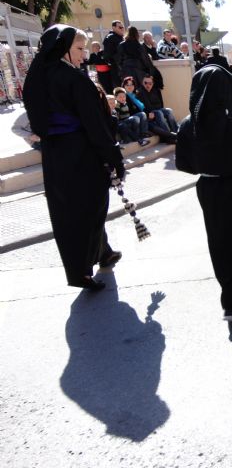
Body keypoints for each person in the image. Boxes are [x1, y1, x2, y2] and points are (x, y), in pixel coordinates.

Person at [23, 24, 125, 291]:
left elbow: (37, 124)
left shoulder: (36, 78)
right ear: (62, 48)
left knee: (68, 212)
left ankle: (102, 254)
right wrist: (114, 157)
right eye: (79, 49)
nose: (83, 55)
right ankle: (80, 273)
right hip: (82, 155)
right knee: (89, 209)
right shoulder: (73, 79)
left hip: (55, 156)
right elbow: (95, 125)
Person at [176, 64, 232, 322]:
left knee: (218, 241)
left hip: (207, 188)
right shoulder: (230, 124)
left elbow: (183, 164)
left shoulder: (188, 124)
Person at [137, 74, 178, 144]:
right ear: (142, 83)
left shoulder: (156, 91)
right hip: (149, 114)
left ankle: (176, 132)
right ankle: (168, 137)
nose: (148, 85)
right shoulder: (140, 92)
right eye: (145, 83)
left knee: (168, 110)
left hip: (157, 110)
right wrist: (149, 113)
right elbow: (144, 107)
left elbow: (161, 104)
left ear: (152, 84)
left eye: (150, 83)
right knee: (159, 112)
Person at [102, 20, 125, 92]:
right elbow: (107, 55)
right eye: (120, 27)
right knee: (119, 88)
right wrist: (117, 61)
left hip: (123, 66)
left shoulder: (121, 37)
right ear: (113, 28)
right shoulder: (110, 38)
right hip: (116, 68)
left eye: (123, 27)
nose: (122, 29)